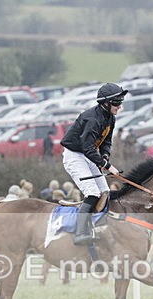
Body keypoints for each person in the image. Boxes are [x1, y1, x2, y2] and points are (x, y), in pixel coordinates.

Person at [60, 82, 126, 245]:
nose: (119, 106)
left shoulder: (110, 118)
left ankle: (98, 226)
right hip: (75, 156)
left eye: (120, 102)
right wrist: (107, 166)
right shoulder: (92, 119)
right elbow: (88, 148)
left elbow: (106, 141)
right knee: (92, 193)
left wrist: (105, 156)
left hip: (88, 155)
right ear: (106, 103)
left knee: (105, 191)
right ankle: (80, 233)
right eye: (116, 102)